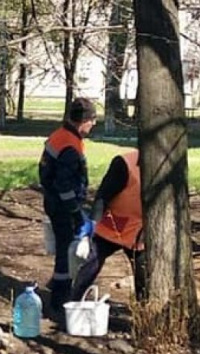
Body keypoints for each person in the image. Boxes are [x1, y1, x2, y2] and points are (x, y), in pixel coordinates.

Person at [38, 97, 97, 315]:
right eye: (93, 120)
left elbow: (46, 174)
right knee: (66, 250)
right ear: (84, 121)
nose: (93, 125)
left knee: (65, 246)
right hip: (63, 205)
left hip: (53, 201)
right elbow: (64, 184)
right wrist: (76, 213)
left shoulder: (59, 136)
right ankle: (59, 297)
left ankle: (57, 284)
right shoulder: (70, 146)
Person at [71, 150, 147, 302]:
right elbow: (102, 197)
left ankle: (144, 315)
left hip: (139, 234)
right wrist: (88, 233)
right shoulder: (125, 164)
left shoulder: (167, 167)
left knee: (144, 276)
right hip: (109, 227)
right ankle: (73, 304)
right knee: (90, 263)